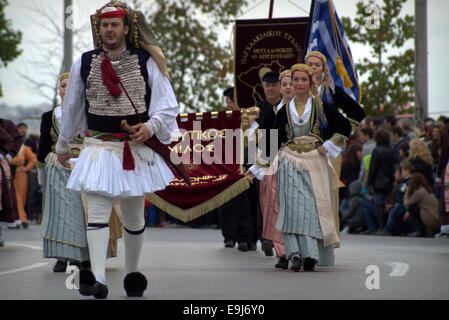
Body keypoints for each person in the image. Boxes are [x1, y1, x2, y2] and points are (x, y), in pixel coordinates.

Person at [55, 3, 179, 298]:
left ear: (126, 28)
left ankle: (132, 273)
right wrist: (63, 144)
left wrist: (150, 127)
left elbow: (167, 105)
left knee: (134, 218)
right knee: (97, 213)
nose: (109, 30)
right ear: (99, 29)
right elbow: (72, 107)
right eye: (104, 25)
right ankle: (97, 278)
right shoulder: (83, 63)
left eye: (114, 24)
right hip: (98, 147)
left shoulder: (147, 61)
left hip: (133, 150)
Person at [250, 64, 351, 272]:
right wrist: (256, 169)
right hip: (289, 162)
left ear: (311, 82)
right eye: (295, 80)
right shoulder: (283, 111)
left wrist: (328, 146)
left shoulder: (321, 107)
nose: (298, 84)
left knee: (311, 209)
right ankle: (294, 253)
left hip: (314, 163)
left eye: (303, 80)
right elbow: (273, 140)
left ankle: (311, 255)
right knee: (290, 209)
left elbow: (344, 127)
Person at [37, 73, 92, 272]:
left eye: (70, 86)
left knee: (80, 213)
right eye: (62, 86)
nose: (65, 89)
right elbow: (43, 150)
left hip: (82, 168)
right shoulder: (49, 117)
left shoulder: (88, 114)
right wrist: (41, 179)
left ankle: (82, 256)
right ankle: (62, 256)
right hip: (57, 169)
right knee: (59, 215)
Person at [259, 70, 294, 269]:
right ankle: (282, 252)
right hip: (276, 165)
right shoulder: (276, 111)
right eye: (285, 84)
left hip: (304, 164)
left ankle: (301, 250)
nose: (288, 87)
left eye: (293, 83)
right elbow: (268, 142)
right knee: (275, 206)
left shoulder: (308, 108)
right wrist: (257, 167)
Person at [217, 87, 255, 251]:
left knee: (247, 202)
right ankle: (230, 236)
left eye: (229, 102)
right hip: (228, 164)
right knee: (226, 202)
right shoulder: (225, 119)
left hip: (248, 163)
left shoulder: (252, 117)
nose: (229, 105)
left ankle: (248, 238)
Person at [0, 119, 24, 246]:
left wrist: (5, 154)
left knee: (3, 198)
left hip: (3, 167)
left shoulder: (5, 124)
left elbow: (11, 140)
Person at [367, 128, 395, 230]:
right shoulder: (392, 149)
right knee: (387, 204)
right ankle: (387, 225)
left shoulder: (377, 150)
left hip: (378, 181)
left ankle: (380, 226)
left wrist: (370, 182)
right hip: (389, 180)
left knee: (378, 204)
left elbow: (373, 168)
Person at [9, 124, 37, 228]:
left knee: (21, 197)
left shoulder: (25, 147)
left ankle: (20, 218)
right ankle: (19, 218)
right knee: (13, 197)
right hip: (10, 172)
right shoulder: (9, 145)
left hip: (20, 173)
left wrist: (26, 168)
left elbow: (33, 158)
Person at [378, 162, 413, 236]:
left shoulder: (409, 181)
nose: (402, 173)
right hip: (400, 202)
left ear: (407, 171)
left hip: (402, 203)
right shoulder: (402, 182)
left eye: (403, 171)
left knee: (395, 211)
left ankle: (387, 229)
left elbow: (403, 194)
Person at [404, 172, 440, 237]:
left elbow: (407, 204)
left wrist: (407, 192)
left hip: (431, 219)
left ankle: (420, 231)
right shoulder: (426, 189)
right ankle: (424, 230)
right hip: (436, 218)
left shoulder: (420, 192)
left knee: (411, 208)